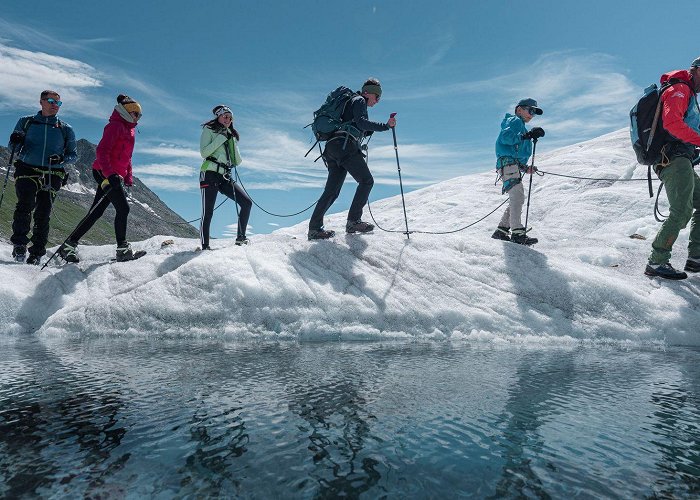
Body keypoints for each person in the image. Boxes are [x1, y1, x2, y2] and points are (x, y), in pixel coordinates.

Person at [307, 77, 397, 240]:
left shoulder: (350, 102)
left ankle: (314, 229)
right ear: (368, 92)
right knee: (366, 181)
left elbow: (357, 125)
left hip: (332, 147)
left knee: (332, 191)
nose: (377, 101)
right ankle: (354, 221)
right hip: (345, 146)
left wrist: (366, 130)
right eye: (377, 97)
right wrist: (386, 126)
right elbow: (362, 123)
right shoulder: (359, 100)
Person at [57, 94, 143, 263]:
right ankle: (122, 250)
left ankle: (68, 246)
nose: (138, 118)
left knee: (96, 211)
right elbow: (102, 152)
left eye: (139, 115)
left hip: (115, 175)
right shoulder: (115, 126)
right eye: (136, 114)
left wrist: (128, 177)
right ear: (127, 112)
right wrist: (110, 174)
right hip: (104, 172)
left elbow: (127, 156)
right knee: (123, 209)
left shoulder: (129, 129)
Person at [644, 57, 700, 280]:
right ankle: (657, 261)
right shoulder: (679, 89)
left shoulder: (688, 94)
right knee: (682, 210)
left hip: (680, 159)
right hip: (673, 159)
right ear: (695, 70)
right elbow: (672, 123)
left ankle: (695, 257)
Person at [8, 90, 77, 265]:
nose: (55, 105)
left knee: (43, 211)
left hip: (52, 172)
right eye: (52, 101)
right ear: (41, 102)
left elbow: (73, 155)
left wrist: (62, 158)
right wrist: (15, 140)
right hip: (26, 168)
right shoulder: (26, 122)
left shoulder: (65, 128)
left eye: (58, 103)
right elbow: (13, 148)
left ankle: (37, 252)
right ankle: (19, 244)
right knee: (25, 204)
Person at [492, 98, 545, 246]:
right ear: (519, 109)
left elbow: (514, 151)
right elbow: (505, 138)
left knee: (517, 197)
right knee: (517, 195)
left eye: (534, 112)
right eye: (530, 110)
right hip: (508, 165)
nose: (532, 114)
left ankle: (501, 231)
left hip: (511, 165)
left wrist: (525, 168)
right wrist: (526, 136)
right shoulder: (515, 121)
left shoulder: (521, 127)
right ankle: (517, 233)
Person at [198, 105, 252, 249]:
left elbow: (237, 161)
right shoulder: (208, 130)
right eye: (225, 116)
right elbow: (204, 152)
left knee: (247, 203)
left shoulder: (230, 134)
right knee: (208, 211)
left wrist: (231, 140)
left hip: (224, 175)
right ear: (218, 117)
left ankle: (241, 238)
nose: (228, 119)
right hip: (209, 173)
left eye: (230, 117)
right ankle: (205, 246)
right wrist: (221, 138)